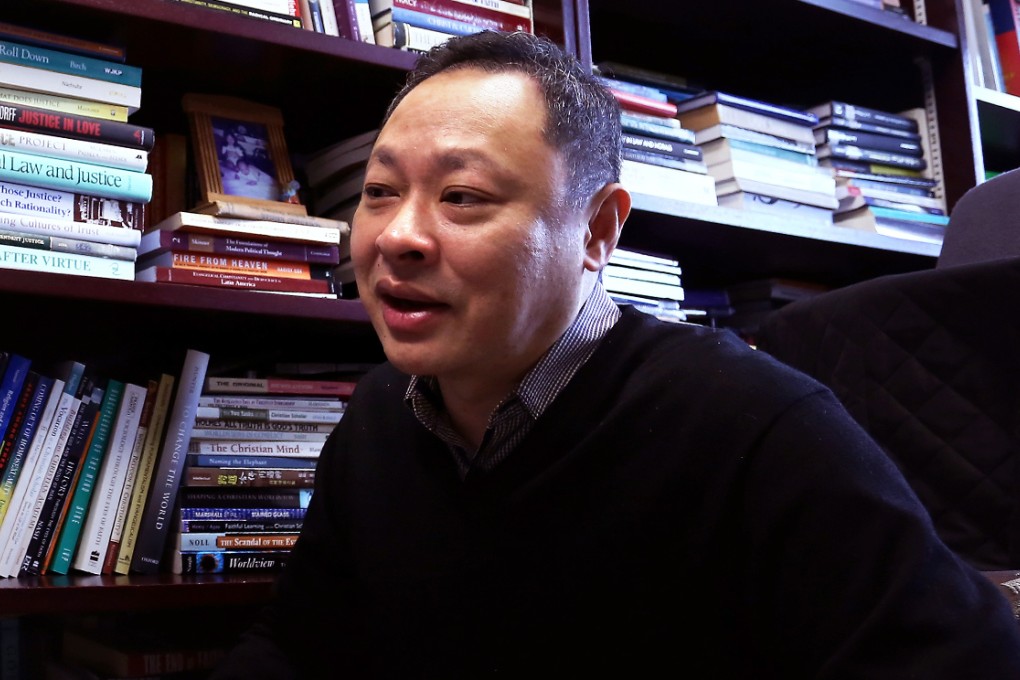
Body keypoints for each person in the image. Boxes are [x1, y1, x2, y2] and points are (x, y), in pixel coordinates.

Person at [209, 30, 1020, 678]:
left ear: (598, 231)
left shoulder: (755, 426)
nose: (398, 236)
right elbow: (302, 645)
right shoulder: (381, 419)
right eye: (380, 193)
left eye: (463, 197)